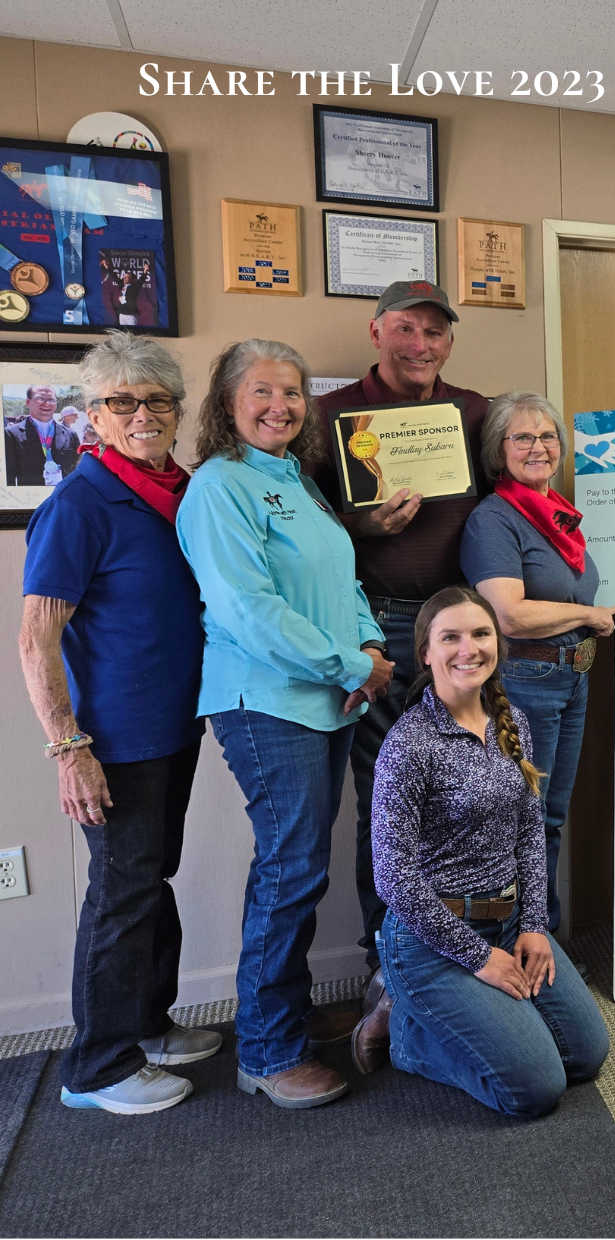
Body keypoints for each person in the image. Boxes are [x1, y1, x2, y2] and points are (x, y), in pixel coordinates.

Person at [177, 339, 392, 1110]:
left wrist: (367, 644)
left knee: (300, 865)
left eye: (293, 393)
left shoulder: (296, 480)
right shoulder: (220, 487)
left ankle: (289, 1015)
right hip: (265, 702)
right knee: (290, 869)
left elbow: (341, 583)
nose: (280, 407)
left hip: (323, 698)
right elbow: (245, 609)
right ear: (228, 402)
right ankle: (266, 1051)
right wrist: (348, 667)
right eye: (262, 392)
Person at [18, 335, 211, 1114]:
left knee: (148, 878)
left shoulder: (182, 489)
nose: (142, 415)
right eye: (121, 402)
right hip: (112, 739)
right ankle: (97, 1067)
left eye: (157, 400)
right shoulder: (81, 501)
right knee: (121, 890)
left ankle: (146, 1026)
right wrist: (69, 748)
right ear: (92, 415)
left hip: (175, 725)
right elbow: (37, 636)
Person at [353, 586, 610, 1116]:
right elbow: (394, 879)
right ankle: (407, 1035)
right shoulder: (410, 744)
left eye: (480, 634)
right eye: (450, 637)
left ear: (499, 643)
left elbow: (529, 834)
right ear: (425, 651)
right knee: (535, 1090)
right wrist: (480, 959)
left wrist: (535, 924)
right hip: (433, 941)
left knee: (586, 1056)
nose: (468, 649)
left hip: (511, 920)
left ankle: (490, 1021)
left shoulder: (508, 719)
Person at [312, 280, 491, 971]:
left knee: (470, 793)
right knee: (390, 802)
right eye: (407, 329)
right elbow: (306, 536)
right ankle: (387, 967)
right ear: (375, 331)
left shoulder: (473, 412)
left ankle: (469, 952)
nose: (422, 345)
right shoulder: (330, 416)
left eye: (436, 332)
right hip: (380, 630)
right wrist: (362, 526)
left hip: (464, 634)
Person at [462, 392, 615, 931]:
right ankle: (516, 944)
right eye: (522, 437)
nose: (538, 447)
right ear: (497, 450)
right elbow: (509, 615)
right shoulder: (494, 520)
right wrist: (592, 616)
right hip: (526, 680)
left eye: (548, 436)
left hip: (571, 678)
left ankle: (539, 940)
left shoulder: (559, 516)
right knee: (521, 819)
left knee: (548, 817)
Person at [6, 384, 81, 486]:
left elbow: (77, 471)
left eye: (51, 399)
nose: (46, 403)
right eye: (40, 398)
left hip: (62, 497)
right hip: (30, 497)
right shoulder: (11, 434)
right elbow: (8, 476)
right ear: (28, 402)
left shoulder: (71, 435)